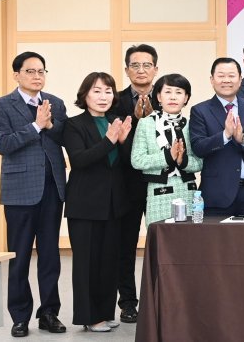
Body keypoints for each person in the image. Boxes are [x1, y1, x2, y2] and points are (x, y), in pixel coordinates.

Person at [0, 51, 68, 337]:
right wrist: (36, 126)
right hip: (19, 191)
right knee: (20, 256)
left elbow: (64, 138)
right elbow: (4, 144)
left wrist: (51, 125)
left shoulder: (55, 103)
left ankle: (49, 313)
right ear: (17, 75)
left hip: (52, 189)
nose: (37, 76)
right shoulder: (0, 106)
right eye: (31, 71)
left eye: (41, 71)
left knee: (50, 256)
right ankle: (20, 317)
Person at [62, 72, 133, 333]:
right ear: (85, 95)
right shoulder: (74, 124)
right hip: (86, 204)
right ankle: (89, 316)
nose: (103, 96)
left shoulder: (115, 121)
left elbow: (126, 163)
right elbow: (79, 160)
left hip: (114, 204)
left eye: (108, 91)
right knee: (87, 264)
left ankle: (105, 313)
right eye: (97, 91)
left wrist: (122, 143)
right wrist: (109, 141)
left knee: (109, 262)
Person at [112, 43, 158, 324]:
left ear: (156, 69)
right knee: (125, 247)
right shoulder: (113, 100)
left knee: (161, 245)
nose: (141, 70)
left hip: (159, 185)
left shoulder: (166, 97)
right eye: (135, 65)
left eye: (147, 65)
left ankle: (160, 300)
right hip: (125, 185)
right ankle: (128, 302)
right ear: (127, 69)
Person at [189, 58, 244, 216]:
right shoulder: (200, 111)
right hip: (218, 193)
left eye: (231, 75)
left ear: (240, 79)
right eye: (221, 76)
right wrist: (225, 135)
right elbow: (198, 147)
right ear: (212, 80)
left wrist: (243, 139)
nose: (226, 80)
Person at [131, 74, 204, 225]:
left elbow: (200, 162)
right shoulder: (146, 123)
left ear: (186, 98)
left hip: (188, 191)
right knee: (161, 237)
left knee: (189, 237)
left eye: (179, 92)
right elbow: (137, 160)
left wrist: (183, 160)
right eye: (168, 92)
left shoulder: (191, 124)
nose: (173, 97)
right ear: (158, 96)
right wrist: (167, 157)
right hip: (158, 192)